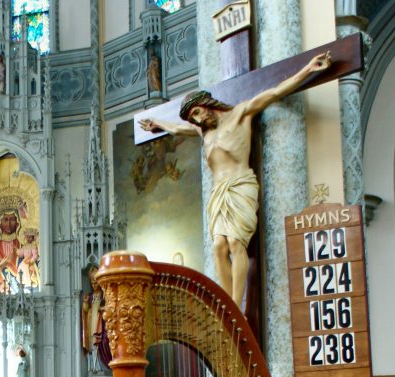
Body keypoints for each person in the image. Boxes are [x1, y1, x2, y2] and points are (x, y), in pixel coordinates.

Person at [139, 51, 332, 309]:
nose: (197, 119)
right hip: (219, 193)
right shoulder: (202, 131)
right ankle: (225, 305)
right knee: (219, 246)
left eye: (197, 112)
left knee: (234, 242)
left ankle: (235, 305)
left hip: (240, 185)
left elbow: (275, 93)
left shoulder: (241, 114)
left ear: (207, 104)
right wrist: (159, 124)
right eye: (193, 118)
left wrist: (308, 69)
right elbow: (178, 128)